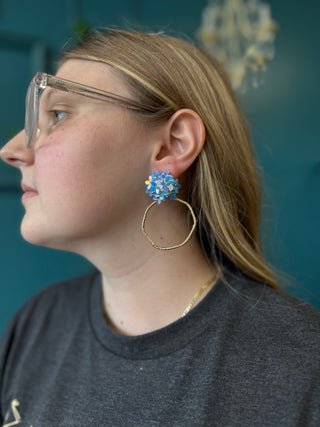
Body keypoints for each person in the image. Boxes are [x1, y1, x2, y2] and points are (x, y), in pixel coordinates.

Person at [0, 28, 319, 426]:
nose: (11, 149)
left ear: (172, 146)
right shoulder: (38, 322)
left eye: (58, 114)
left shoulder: (303, 364)